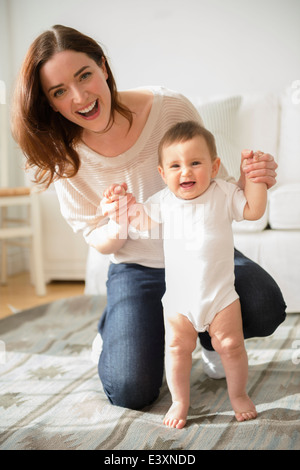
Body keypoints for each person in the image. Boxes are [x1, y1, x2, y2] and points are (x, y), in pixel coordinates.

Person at [11, 24, 286, 411]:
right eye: (59, 91)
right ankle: (114, 328)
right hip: (136, 267)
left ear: (103, 67)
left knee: (265, 305)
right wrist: (118, 220)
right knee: (131, 389)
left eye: (84, 75)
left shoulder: (169, 108)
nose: (79, 97)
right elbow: (98, 238)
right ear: (50, 103)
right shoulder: (64, 155)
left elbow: (214, 189)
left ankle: (208, 338)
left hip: (203, 258)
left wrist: (250, 181)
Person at [101, 121, 264, 428]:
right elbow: (141, 222)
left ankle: (239, 395)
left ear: (214, 166)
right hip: (179, 301)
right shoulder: (164, 201)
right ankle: (180, 401)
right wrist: (125, 203)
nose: (186, 172)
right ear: (163, 174)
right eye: (175, 165)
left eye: (195, 163)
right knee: (177, 349)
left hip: (221, 297)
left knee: (231, 345)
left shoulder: (223, 193)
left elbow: (254, 210)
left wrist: (254, 178)